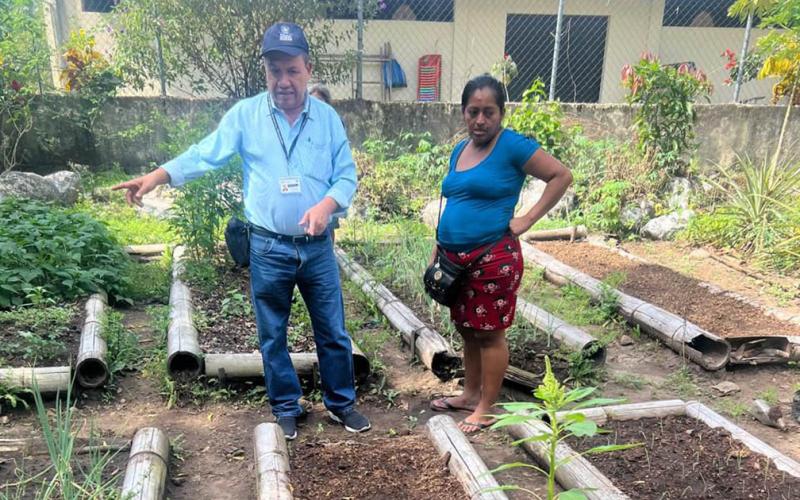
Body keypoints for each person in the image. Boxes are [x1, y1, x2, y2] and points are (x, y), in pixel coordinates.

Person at [113, 22, 370, 440]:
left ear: (307, 67)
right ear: (265, 72)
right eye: (274, 71)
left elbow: (345, 176)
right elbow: (205, 154)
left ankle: (341, 403)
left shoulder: (327, 119)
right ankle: (287, 407)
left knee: (334, 331)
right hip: (268, 246)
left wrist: (327, 205)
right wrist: (157, 176)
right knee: (272, 334)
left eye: (291, 70)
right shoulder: (247, 116)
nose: (283, 81)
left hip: (317, 248)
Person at [429, 74, 572, 433]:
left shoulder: (512, 146)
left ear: (501, 114)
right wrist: (438, 248)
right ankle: (469, 394)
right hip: (453, 260)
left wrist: (527, 218)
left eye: (488, 112)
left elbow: (560, 176)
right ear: (463, 112)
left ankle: (487, 408)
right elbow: (455, 201)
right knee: (467, 329)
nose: (480, 120)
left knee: (490, 333)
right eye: (473, 111)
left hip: (491, 258)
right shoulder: (459, 150)